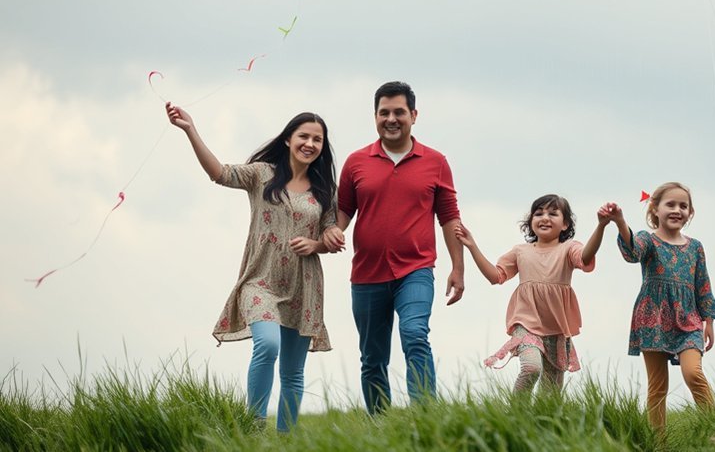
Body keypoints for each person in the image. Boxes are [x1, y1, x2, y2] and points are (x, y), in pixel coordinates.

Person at [165, 102, 337, 432]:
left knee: (293, 373)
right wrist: (190, 130)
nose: (310, 144)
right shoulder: (261, 174)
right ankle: (254, 428)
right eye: (304, 136)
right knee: (268, 345)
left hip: (304, 285)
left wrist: (328, 238)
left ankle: (285, 440)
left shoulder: (326, 190)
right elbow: (219, 173)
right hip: (261, 280)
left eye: (317, 140)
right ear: (288, 139)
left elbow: (330, 231)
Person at [323, 81, 464, 414]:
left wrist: (458, 268)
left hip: (415, 270)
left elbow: (449, 219)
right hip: (367, 274)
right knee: (372, 358)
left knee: (414, 334)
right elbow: (343, 210)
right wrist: (332, 229)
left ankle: (425, 418)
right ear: (375, 117)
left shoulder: (436, 162)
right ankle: (380, 427)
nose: (391, 118)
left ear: (413, 115)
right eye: (384, 112)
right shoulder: (357, 162)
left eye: (399, 112)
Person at [454, 195, 607, 394]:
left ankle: (538, 424)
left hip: (557, 329)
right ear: (531, 222)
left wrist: (601, 226)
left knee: (551, 394)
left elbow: (586, 256)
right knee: (531, 368)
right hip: (526, 324)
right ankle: (515, 415)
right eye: (539, 213)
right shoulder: (521, 251)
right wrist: (472, 245)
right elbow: (495, 276)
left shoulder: (568, 248)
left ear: (565, 224)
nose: (545, 217)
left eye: (553, 213)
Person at [602, 182, 715, 432]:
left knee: (693, 374)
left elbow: (703, 285)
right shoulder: (648, 240)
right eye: (671, 204)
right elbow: (633, 252)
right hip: (653, 318)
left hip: (688, 321)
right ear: (655, 209)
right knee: (657, 387)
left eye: (683, 206)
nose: (677, 210)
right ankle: (659, 445)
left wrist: (708, 322)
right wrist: (620, 222)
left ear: (690, 212)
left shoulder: (696, 247)